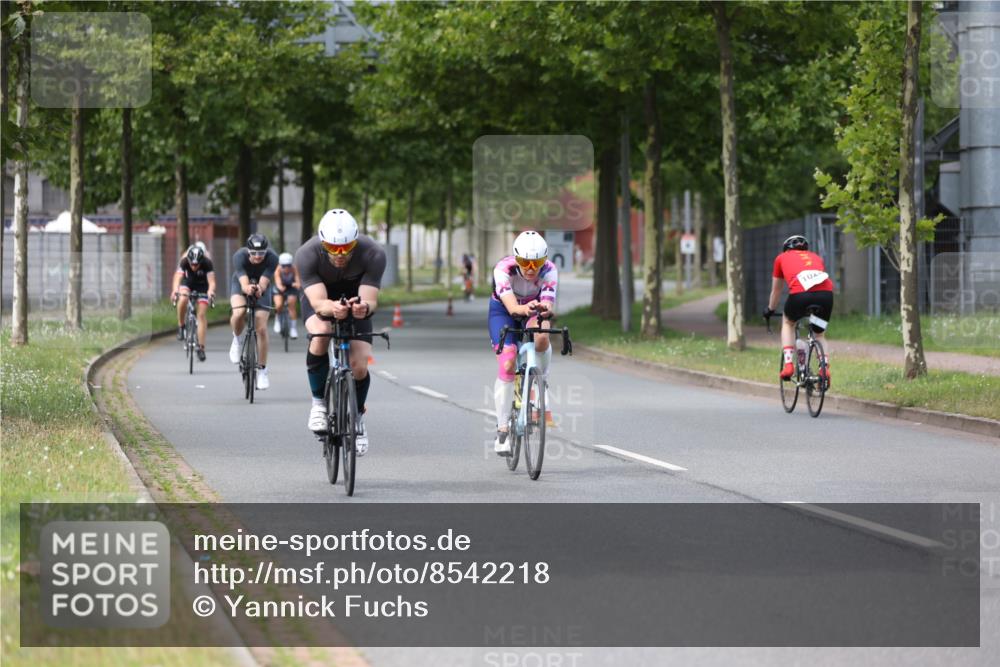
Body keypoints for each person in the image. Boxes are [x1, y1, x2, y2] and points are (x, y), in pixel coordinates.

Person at [296, 209, 386, 456]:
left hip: (356, 299)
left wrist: (363, 308)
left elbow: (371, 300)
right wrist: (331, 308)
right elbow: (317, 302)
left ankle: (357, 418)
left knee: (359, 365)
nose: (340, 254)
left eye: (347, 248)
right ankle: (318, 404)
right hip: (322, 299)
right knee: (322, 332)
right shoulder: (306, 254)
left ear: (355, 241)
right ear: (322, 242)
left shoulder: (373, 253)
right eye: (333, 248)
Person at [489, 230, 558, 456]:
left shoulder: (549, 270)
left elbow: (548, 303)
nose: (530, 268)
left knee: (542, 336)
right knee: (508, 363)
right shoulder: (503, 269)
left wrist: (545, 308)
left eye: (536, 262)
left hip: (533, 307)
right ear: (516, 259)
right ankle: (502, 431)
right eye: (525, 262)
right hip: (504, 310)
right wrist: (522, 308)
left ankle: (541, 380)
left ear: (543, 260)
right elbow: (511, 307)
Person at [764, 235, 835, 383]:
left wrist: (770, 309)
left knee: (788, 322)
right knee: (820, 333)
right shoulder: (816, 257)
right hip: (826, 297)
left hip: (800, 297)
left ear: (786, 249)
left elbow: (776, 291)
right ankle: (824, 368)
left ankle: (789, 365)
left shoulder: (781, 258)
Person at [228, 234, 279, 390]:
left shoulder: (272, 258)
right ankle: (236, 340)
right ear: (248, 251)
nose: (258, 257)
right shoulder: (239, 256)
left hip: (262, 285)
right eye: (254, 253)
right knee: (239, 312)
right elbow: (243, 283)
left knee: (261, 327)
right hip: (241, 283)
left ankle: (262, 370)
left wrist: (259, 289)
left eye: (261, 253)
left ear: (266, 251)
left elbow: (264, 282)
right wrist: (248, 288)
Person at [171, 245, 216, 361]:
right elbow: (178, 277)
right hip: (188, 283)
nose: (194, 266)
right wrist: (175, 290)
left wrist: (210, 291)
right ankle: (181, 325)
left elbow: (211, 282)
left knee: (201, 315)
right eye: (192, 264)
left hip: (202, 286)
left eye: (196, 264)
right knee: (183, 299)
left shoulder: (207, 263)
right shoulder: (184, 261)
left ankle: (201, 348)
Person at [273, 252, 301, 339]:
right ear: (280, 265)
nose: (286, 268)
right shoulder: (278, 270)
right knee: (278, 305)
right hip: (280, 287)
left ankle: (293, 328)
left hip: (291, 287)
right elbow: (277, 282)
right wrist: (281, 287)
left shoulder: (294, 269)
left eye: (288, 265)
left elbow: (298, 281)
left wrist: (296, 284)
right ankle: (277, 319)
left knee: (291, 305)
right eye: (284, 266)